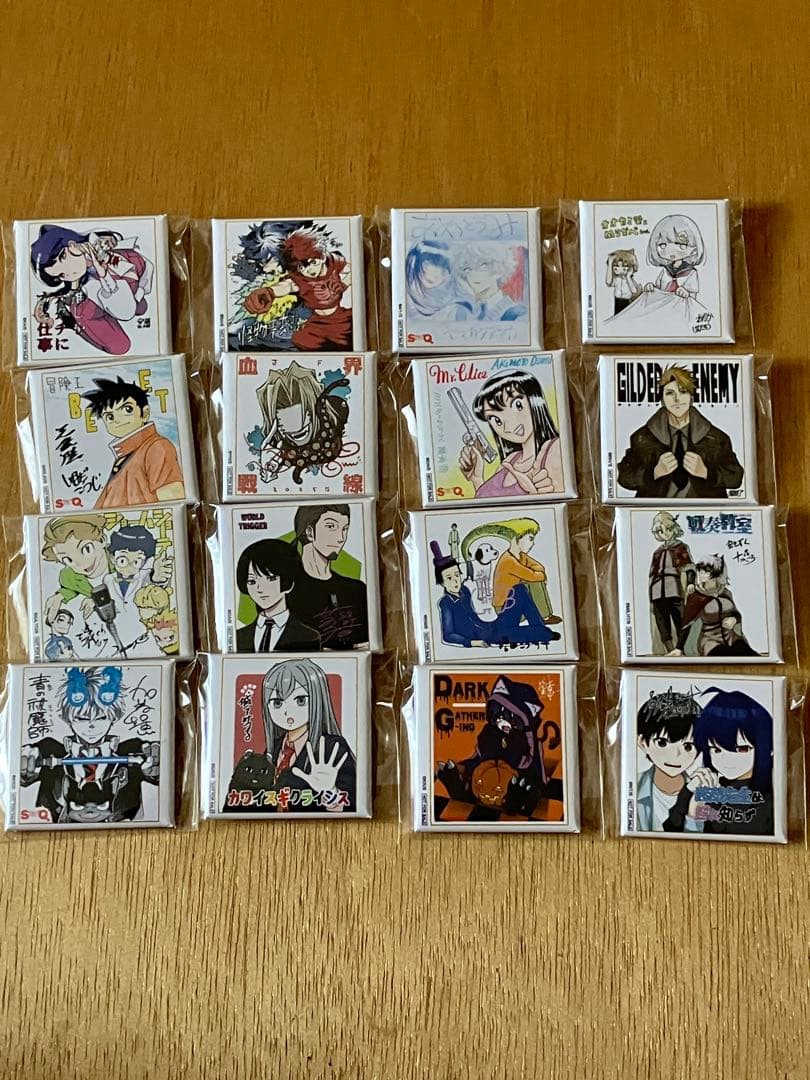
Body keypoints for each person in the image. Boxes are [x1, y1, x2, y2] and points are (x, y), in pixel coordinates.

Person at [19, 666, 160, 824]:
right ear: (68, 718)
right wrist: (25, 766)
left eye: (101, 718)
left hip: (125, 830)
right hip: (54, 830)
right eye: (82, 719)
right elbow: (23, 773)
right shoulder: (50, 750)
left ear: (113, 717)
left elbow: (159, 775)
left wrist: (155, 767)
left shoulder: (132, 750)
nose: (91, 726)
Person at [225, 658, 356, 813]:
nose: (288, 711)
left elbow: (353, 805)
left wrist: (331, 791)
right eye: (277, 703)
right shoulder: (274, 749)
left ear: (318, 699)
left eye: (300, 700)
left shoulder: (332, 747)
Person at [617, 365, 744, 498]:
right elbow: (624, 477)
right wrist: (653, 473)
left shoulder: (716, 438)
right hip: (656, 509)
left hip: (703, 509)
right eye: (670, 393)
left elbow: (736, 478)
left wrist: (707, 473)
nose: (677, 399)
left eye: (683, 392)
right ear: (662, 401)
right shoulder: (642, 437)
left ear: (691, 398)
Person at [30, 225, 153, 354]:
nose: (69, 273)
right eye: (61, 275)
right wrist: (104, 276)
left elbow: (108, 238)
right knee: (120, 345)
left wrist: (109, 239)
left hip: (134, 274)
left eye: (63, 257)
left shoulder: (94, 243)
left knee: (141, 307)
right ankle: (81, 328)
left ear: (72, 244)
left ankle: (137, 302)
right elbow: (125, 311)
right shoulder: (86, 294)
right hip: (104, 299)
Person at [683, 688, 774, 835]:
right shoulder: (704, 789)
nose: (727, 759)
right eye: (715, 750)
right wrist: (694, 813)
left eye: (742, 749)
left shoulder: (775, 793)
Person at [82, 376, 185, 507]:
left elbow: (173, 499)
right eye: (110, 416)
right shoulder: (125, 454)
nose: (117, 420)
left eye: (127, 410)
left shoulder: (156, 447)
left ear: (145, 413)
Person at [460, 369, 563, 499]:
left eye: (517, 405)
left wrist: (535, 497)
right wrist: (477, 479)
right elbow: (491, 506)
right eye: (496, 419)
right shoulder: (511, 459)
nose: (507, 426)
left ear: (534, 401)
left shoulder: (555, 449)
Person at [250, 361, 350, 485]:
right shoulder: (279, 450)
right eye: (281, 425)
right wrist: (267, 467)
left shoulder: (332, 420)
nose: (294, 429)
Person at [287, 504, 369, 649]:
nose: (341, 538)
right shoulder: (284, 591)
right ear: (310, 532)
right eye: (331, 526)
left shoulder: (357, 590)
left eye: (345, 529)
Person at [635, 689, 702, 832]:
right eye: (662, 743)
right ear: (642, 742)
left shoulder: (702, 792)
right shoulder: (633, 786)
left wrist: (693, 816)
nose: (675, 755)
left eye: (688, 746)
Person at [235, 538, 320, 652]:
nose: (259, 589)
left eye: (270, 579)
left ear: (288, 582)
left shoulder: (309, 637)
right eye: (252, 581)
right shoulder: (238, 636)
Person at [672, 556, 757, 658]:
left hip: (732, 639)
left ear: (716, 573)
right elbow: (687, 623)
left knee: (752, 657)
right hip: (710, 642)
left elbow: (736, 613)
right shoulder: (695, 597)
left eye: (706, 571)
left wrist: (734, 619)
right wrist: (679, 648)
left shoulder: (726, 593)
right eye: (700, 570)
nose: (701, 573)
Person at [490, 520, 559, 641]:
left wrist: (540, 574)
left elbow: (539, 567)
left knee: (528, 584)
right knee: (529, 584)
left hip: (516, 602)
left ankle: (542, 619)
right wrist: (540, 575)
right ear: (517, 538)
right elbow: (533, 576)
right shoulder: (508, 561)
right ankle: (542, 619)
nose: (532, 544)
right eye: (530, 539)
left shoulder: (521, 556)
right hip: (505, 609)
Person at [647, 512, 695, 654]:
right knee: (662, 624)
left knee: (681, 620)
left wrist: (690, 582)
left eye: (668, 529)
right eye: (660, 531)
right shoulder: (657, 552)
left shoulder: (681, 547)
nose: (664, 533)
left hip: (674, 589)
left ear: (673, 528)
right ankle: (670, 651)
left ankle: (681, 649)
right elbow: (652, 573)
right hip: (657, 591)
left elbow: (690, 567)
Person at [454, 243, 527, 322]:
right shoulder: (465, 312)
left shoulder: (517, 314)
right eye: (467, 269)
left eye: (483, 266)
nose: (474, 275)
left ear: (499, 270)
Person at [643, 214, 705, 300]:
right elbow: (659, 290)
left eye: (681, 245)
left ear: (694, 249)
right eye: (663, 245)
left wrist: (686, 294)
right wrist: (652, 288)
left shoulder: (691, 273)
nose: (671, 251)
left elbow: (693, 299)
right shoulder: (665, 271)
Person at [404, 240, 469, 319]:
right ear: (415, 262)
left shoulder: (457, 307)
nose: (435, 274)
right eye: (427, 262)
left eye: (443, 267)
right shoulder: (405, 296)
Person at [605, 249, 641, 314]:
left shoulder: (629, 280)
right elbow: (608, 282)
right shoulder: (617, 279)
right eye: (616, 266)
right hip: (617, 301)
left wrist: (628, 277)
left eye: (624, 266)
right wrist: (610, 263)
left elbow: (634, 291)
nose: (618, 269)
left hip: (627, 301)